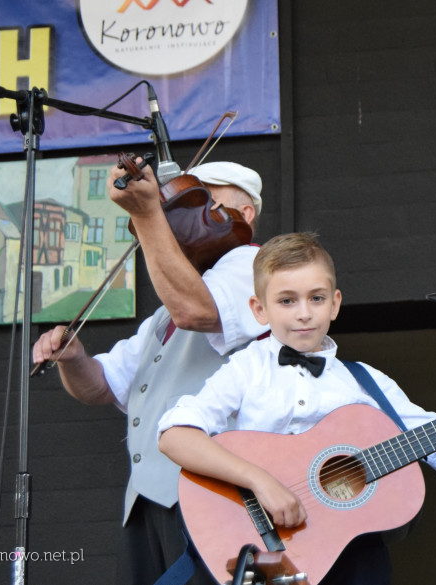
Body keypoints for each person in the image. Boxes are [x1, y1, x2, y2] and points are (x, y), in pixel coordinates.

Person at [157, 232, 436, 585]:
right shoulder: (246, 368)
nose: (303, 312)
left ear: (335, 304)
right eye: (286, 300)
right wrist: (261, 481)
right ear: (259, 310)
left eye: (316, 298)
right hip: (264, 547)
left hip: (349, 553)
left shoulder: (367, 383)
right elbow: (175, 435)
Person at [31, 160, 268, 585]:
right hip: (148, 500)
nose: (182, 215)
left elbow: (196, 309)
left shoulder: (254, 268)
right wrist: (74, 358)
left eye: (206, 202)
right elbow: (104, 385)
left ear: (244, 214)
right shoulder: (165, 313)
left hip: (215, 495)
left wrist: (146, 214)